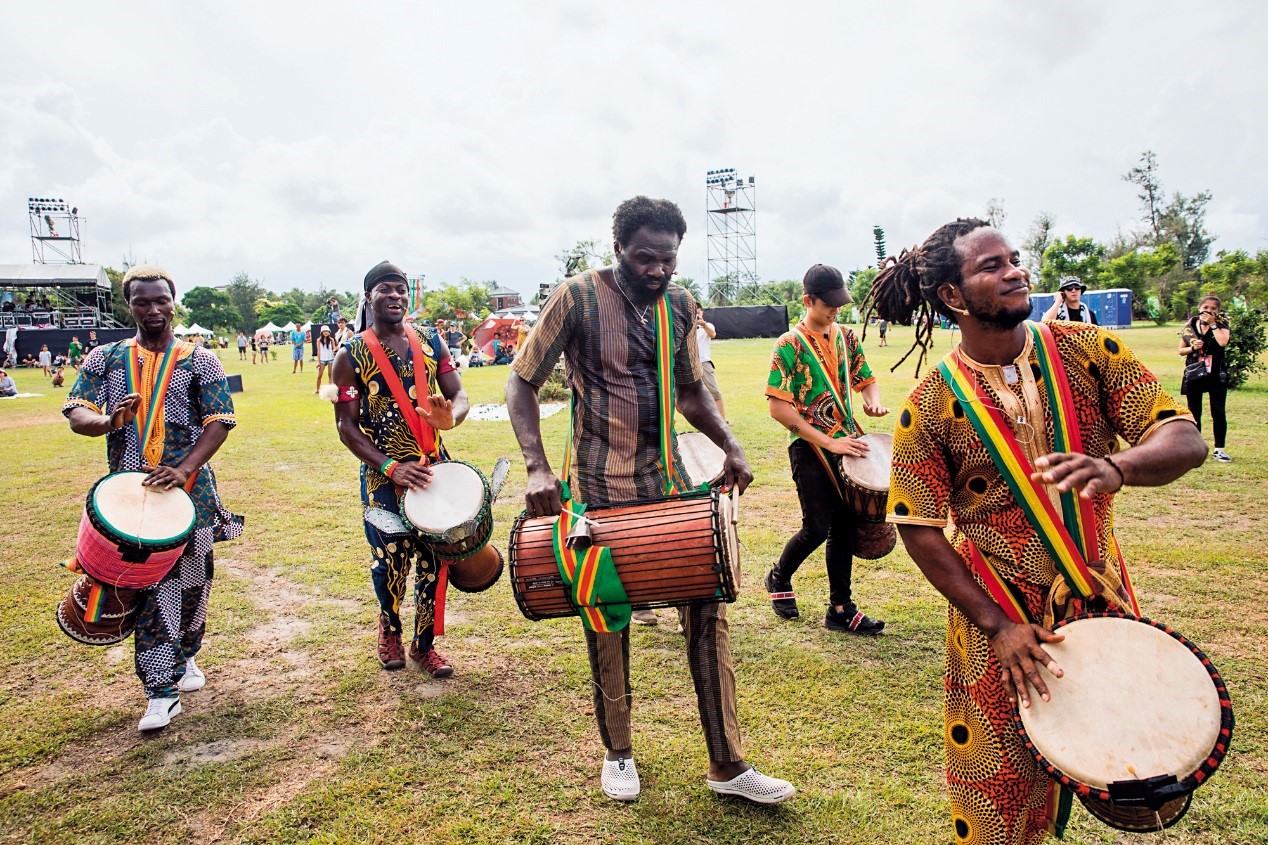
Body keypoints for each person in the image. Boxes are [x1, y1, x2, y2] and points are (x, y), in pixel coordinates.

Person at [866, 218, 1206, 844]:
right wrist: (998, 627)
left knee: (1122, 768)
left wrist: (1115, 466)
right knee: (997, 797)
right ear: (952, 296)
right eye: (991, 266)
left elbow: (1184, 438)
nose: (1016, 270)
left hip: (1100, 600)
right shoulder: (932, 402)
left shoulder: (1087, 351)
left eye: (1014, 258)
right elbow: (918, 527)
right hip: (999, 622)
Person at [506, 195, 794, 806]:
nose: (657, 271)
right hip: (597, 487)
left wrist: (731, 446)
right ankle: (618, 753)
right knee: (606, 618)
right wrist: (535, 465)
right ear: (618, 250)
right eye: (645, 258)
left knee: (708, 608)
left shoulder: (682, 305)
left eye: (668, 259)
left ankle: (728, 764)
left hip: (670, 483)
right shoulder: (577, 297)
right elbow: (522, 379)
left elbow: (690, 390)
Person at [63, 265, 242, 731]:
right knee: (150, 590)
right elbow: (77, 411)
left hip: (192, 494)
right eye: (143, 301)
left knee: (193, 584)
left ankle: (185, 654)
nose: (154, 309)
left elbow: (220, 419)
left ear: (172, 300)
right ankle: (160, 690)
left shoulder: (199, 359)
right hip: (130, 498)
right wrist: (106, 423)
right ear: (130, 305)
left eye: (161, 300)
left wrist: (184, 468)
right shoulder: (105, 357)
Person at [331, 261, 470, 679]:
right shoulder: (349, 354)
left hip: (433, 471)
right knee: (389, 560)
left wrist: (453, 418)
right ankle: (389, 630)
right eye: (385, 290)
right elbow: (345, 426)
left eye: (402, 290)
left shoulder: (430, 340)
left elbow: (458, 393)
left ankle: (424, 645)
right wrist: (391, 467)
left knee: (434, 558)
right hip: (384, 477)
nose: (395, 297)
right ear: (369, 297)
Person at [764, 265, 889, 633]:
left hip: (847, 445)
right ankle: (779, 576)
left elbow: (866, 379)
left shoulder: (846, 337)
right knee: (817, 527)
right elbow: (778, 407)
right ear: (808, 301)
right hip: (809, 447)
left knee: (844, 528)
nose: (836, 310)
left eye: (840, 302)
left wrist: (872, 401)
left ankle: (840, 608)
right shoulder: (789, 345)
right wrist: (828, 441)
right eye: (829, 304)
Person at [1179, 295, 1232, 462]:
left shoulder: (1221, 324)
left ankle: (1219, 449)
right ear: (1199, 307)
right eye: (1206, 307)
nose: (1209, 311)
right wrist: (1192, 347)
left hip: (1216, 375)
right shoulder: (1190, 326)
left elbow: (1223, 342)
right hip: (1195, 373)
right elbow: (1180, 350)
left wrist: (1213, 324)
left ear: (1218, 311)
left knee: (1218, 412)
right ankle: (1196, 449)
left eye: (1213, 308)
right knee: (1194, 412)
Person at [693, 303, 726, 420]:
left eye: (698, 313)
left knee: (714, 392)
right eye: (694, 313)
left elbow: (712, 333)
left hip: (704, 362)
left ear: (702, 312)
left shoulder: (707, 326)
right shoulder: (685, 327)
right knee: (693, 395)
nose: (696, 316)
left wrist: (703, 324)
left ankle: (723, 420)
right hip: (689, 364)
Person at [314, 325, 337, 392]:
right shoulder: (319, 340)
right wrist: (318, 361)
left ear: (329, 332)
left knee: (330, 375)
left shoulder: (331, 340)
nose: (326, 333)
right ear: (322, 332)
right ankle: (317, 390)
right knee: (319, 375)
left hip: (331, 359)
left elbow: (334, 348)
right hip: (322, 359)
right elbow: (318, 350)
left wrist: (335, 351)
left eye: (327, 331)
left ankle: (331, 389)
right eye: (324, 331)